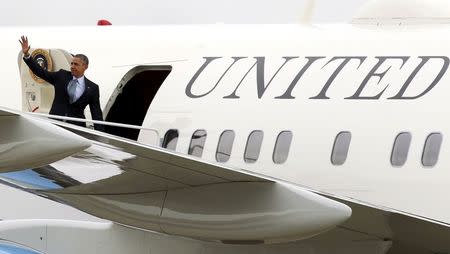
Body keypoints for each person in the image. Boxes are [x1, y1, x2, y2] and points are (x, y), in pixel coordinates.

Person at [19, 36, 104, 131]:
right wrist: (27, 55)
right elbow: (40, 72)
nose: (72, 66)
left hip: (77, 129)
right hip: (55, 125)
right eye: (71, 64)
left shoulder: (93, 88)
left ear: (85, 66)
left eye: (76, 64)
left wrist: (101, 136)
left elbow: (97, 115)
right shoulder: (61, 76)